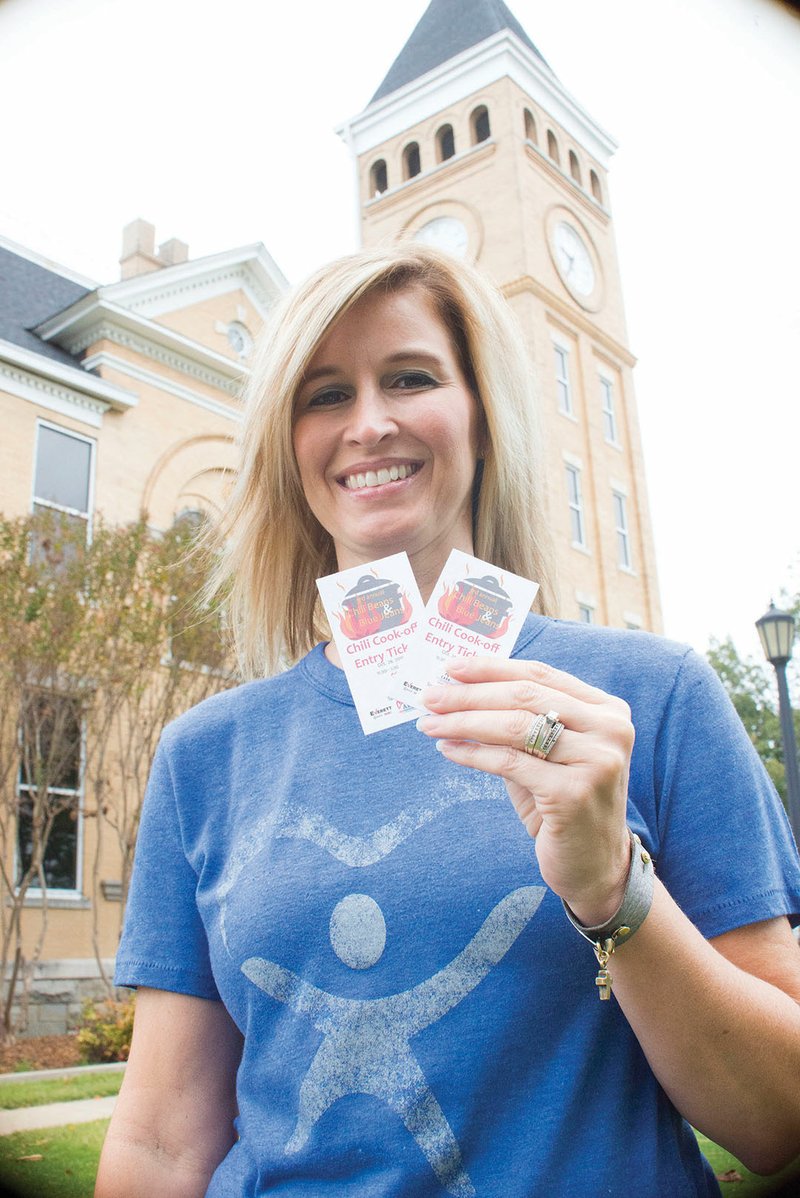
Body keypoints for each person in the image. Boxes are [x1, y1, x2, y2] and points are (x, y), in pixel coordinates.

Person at [95, 244, 800, 1198]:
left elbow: (777, 1120)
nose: (370, 424)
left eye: (411, 377)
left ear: (482, 416)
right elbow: (161, 1140)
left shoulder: (652, 697)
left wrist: (611, 889)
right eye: (325, 394)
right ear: (285, 446)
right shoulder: (204, 754)